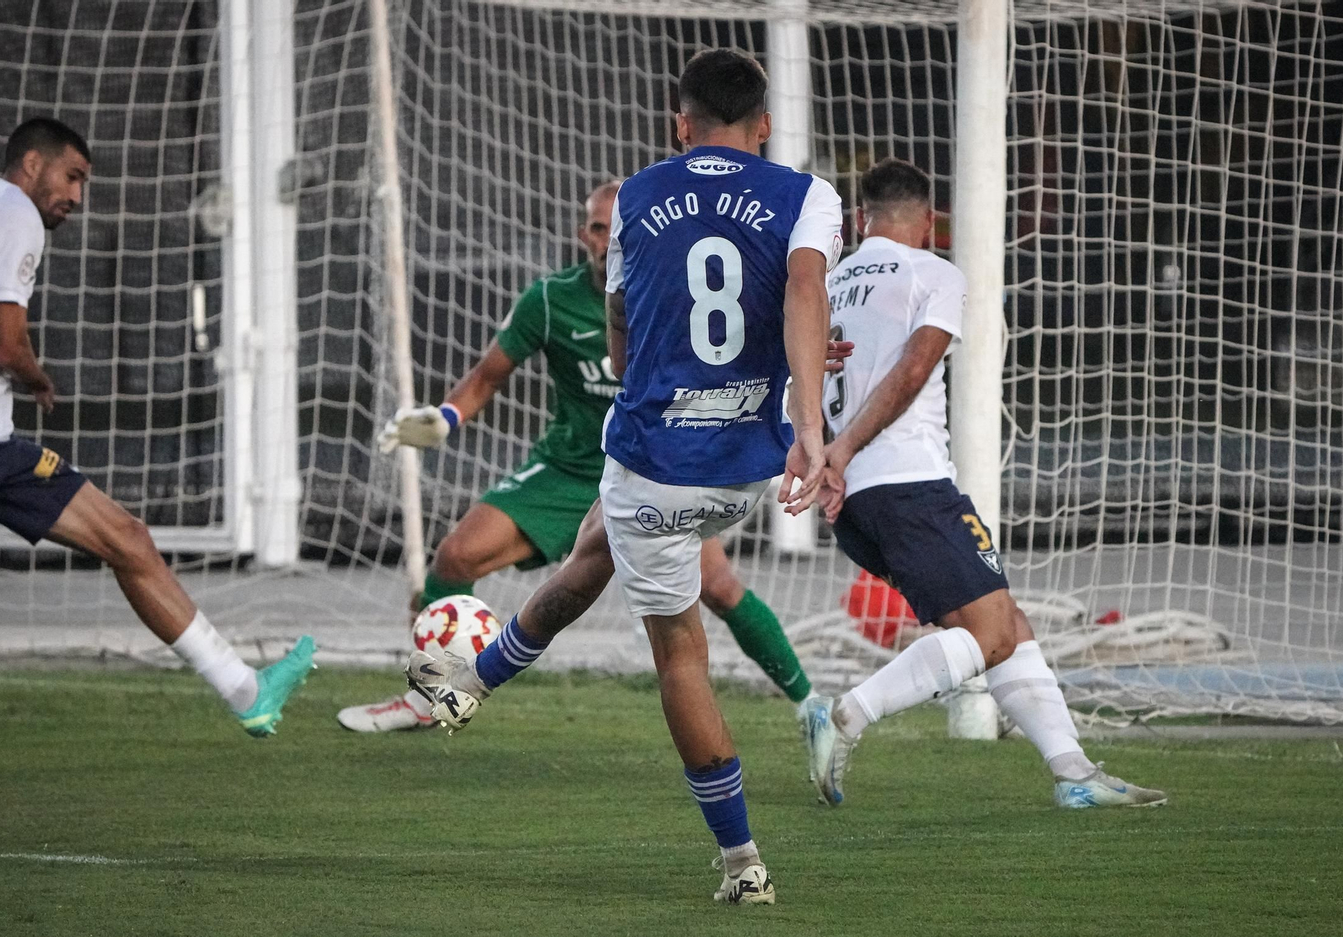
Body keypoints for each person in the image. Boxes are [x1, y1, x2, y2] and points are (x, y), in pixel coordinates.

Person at [404, 49, 843, 905]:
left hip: (653, 460)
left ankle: (742, 862)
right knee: (594, 542)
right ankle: (474, 684)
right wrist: (810, 427)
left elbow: (618, 312)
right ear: (765, 127)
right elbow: (802, 291)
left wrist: (624, 357)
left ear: (681, 125)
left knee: (679, 651)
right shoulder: (807, 194)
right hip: (746, 466)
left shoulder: (638, 194)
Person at [0, 118, 315, 737]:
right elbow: (5, 343)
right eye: (72, 176)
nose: (77, 196)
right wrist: (36, 379)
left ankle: (246, 691)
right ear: (31, 164)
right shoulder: (16, 215)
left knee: (127, 538)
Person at [338, 181, 818, 732]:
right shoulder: (549, 300)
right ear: (581, 234)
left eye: (616, 226)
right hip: (569, 471)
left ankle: (811, 706)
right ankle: (428, 701)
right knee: (454, 558)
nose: (606, 236)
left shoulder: (675, 293)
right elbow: (488, 375)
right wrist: (445, 418)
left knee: (721, 587)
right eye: (596, 226)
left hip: (653, 470)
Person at [798, 157, 1166, 808]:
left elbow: (799, 382)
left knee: (1008, 624)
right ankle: (846, 714)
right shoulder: (933, 272)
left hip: (852, 503)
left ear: (861, 220)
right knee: (990, 635)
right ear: (931, 219)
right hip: (908, 484)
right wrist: (846, 448)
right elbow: (914, 371)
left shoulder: (826, 285)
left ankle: (1072, 770)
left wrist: (822, 456)